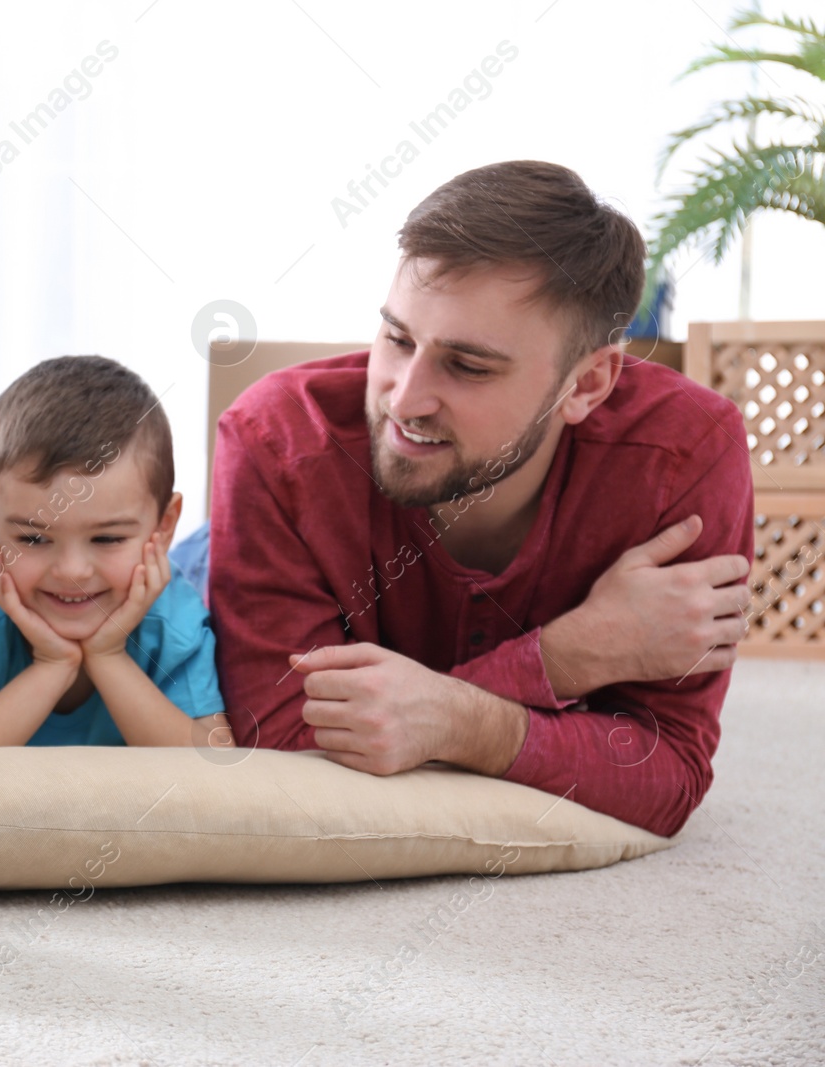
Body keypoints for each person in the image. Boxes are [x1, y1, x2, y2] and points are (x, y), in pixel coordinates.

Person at [209, 160, 754, 839]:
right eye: (397, 338)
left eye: (467, 366)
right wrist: (565, 659)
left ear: (586, 385)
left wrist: (445, 714)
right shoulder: (273, 441)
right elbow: (290, 752)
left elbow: (667, 772)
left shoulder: (686, 452)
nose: (404, 399)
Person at [0, 356, 230, 749]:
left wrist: (108, 656)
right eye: (33, 539)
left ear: (164, 527)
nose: (71, 571)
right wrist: (53, 666)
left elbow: (216, 769)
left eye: (107, 539)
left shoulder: (173, 613)